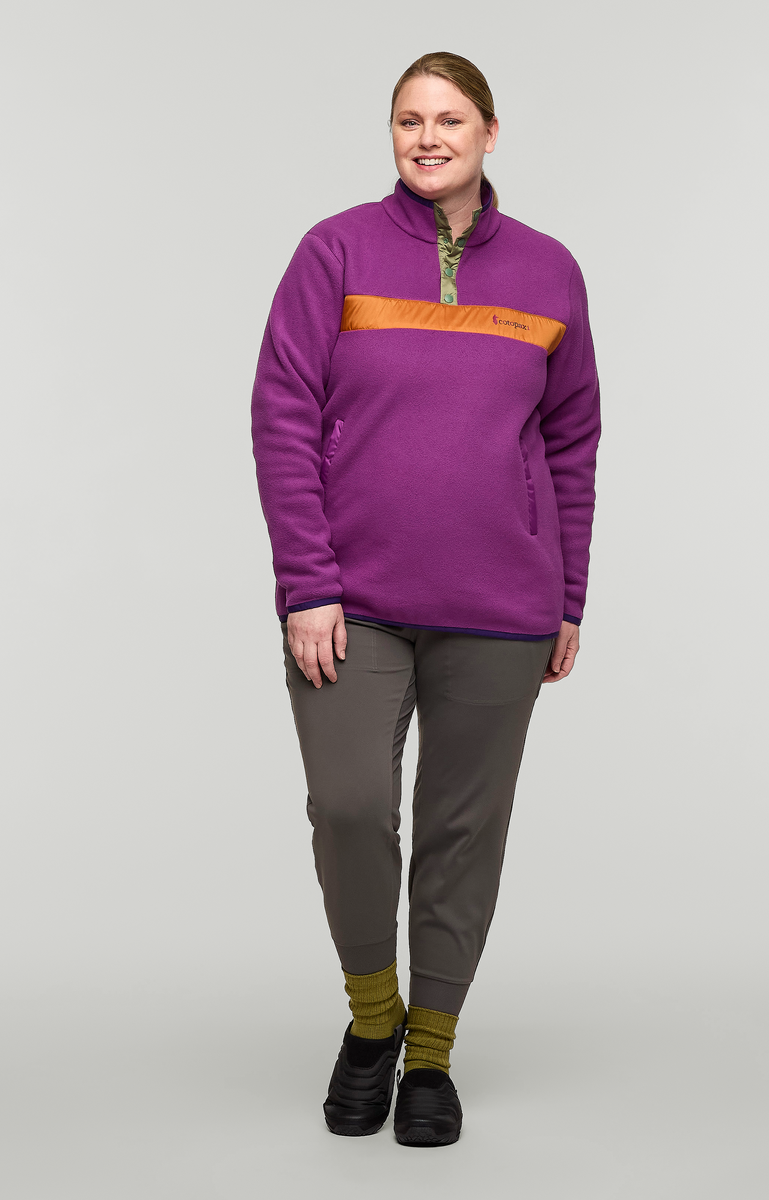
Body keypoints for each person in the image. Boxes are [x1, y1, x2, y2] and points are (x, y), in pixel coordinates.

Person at [250, 51, 600, 1146]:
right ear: (393, 135)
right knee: (351, 807)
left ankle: (432, 1052)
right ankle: (373, 1022)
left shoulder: (549, 271)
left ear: (490, 133)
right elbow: (281, 415)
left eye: (450, 119)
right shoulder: (335, 251)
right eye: (410, 120)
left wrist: (569, 593)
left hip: (502, 605)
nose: (428, 138)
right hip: (351, 601)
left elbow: (573, 440)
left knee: (465, 831)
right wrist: (307, 584)